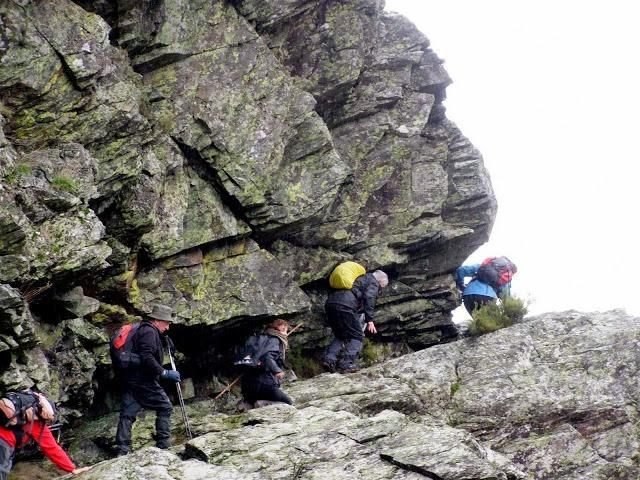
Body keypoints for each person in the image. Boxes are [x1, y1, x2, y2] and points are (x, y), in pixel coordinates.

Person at [114, 303, 180, 456]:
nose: (168, 327)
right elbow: (147, 357)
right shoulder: (149, 332)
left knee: (128, 412)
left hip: (129, 377)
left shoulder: (143, 329)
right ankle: (163, 445)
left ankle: (122, 449)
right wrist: (164, 372)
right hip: (143, 379)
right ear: (157, 320)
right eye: (167, 323)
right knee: (165, 407)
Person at [322, 269, 389, 374]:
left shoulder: (359, 278)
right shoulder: (373, 282)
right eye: (381, 287)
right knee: (357, 336)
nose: (380, 290)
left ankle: (329, 359)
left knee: (340, 335)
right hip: (346, 306)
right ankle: (346, 364)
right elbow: (369, 297)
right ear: (380, 282)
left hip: (331, 303)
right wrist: (370, 320)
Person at [0, 415, 91, 478]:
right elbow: (52, 449)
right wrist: (72, 469)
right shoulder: (37, 423)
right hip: (4, 444)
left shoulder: (15, 412)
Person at [240, 319, 293, 408]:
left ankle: (248, 402)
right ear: (282, 328)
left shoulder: (261, 340)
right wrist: (277, 371)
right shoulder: (274, 340)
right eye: (286, 330)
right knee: (288, 402)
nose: (286, 333)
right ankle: (261, 404)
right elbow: (267, 357)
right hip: (264, 385)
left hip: (248, 387)